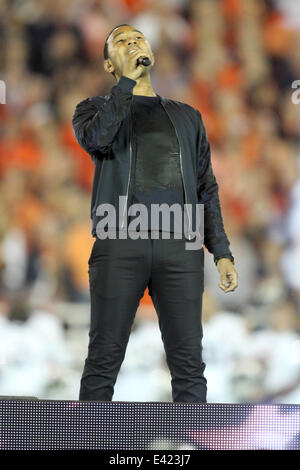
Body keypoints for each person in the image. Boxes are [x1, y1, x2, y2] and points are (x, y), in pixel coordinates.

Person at [72, 24, 238, 403]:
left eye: (138, 39)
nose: (132, 43)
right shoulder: (93, 109)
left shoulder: (188, 116)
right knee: (104, 357)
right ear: (109, 65)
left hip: (180, 245)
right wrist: (125, 88)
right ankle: (87, 442)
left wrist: (222, 251)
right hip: (119, 241)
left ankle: (187, 448)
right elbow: (98, 139)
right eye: (121, 42)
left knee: (189, 362)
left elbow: (206, 186)